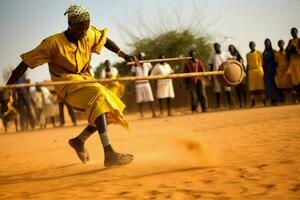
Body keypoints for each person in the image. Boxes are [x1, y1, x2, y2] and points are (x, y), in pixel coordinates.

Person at [3, 5, 135, 167]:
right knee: (100, 94)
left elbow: (104, 39)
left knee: (108, 108)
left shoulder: (88, 33)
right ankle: (109, 152)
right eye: (80, 29)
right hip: (66, 83)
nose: (84, 32)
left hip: (85, 79)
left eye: (86, 29)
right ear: (70, 26)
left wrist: (123, 54)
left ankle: (79, 141)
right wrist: (7, 88)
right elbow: (25, 64)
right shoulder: (52, 44)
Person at [131, 52, 157, 118]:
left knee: (150, 98)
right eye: (139, 57)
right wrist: (135, 65)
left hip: (146, 82)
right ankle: (141, 114)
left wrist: (150, 77)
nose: (141, 58)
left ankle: (153, 113)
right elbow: (133, 74)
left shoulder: (147, 63)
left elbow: (151, 71)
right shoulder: (134, 65)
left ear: (143, 57)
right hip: (138, 84)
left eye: (142, 57)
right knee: (140, 100)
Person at [208, 43, 233, 109]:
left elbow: (231, 60)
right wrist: (210, 75)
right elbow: (211, 66)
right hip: (216, 75)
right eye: (215, 47)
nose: (216, 48)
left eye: (217, 46)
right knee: (217, 90)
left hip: (225, 75)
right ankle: (218, 105)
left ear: (220, 46)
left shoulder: (225, 54)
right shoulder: (212, 55)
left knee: (227, 90)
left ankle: (230, 104)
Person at [262, 39, 283, 105]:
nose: (267, 44)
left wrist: (275, 69)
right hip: (267, 70)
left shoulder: (274, 51)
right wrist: (265, 74)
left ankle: (279, 99)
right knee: (270, 86)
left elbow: (277, 61)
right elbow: (264, 64)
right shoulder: (264, 53)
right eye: (266, 43)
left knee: (276, 84)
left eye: (268, 43)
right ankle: (273, 100)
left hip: (273, 69)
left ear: (270, 43)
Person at [246, 41, 266, 107]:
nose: (251, 46)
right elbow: (248, 64)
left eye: (252, 45)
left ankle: (264, 102)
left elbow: (263, 62)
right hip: (251, 72)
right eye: (250, 45)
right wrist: (246, 73)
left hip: (259, 71)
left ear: (255, 45)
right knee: (252, 88)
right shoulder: (247, 55)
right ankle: (253, 103)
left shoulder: (259, 53)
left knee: (261, 87)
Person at [286, 27, 300, 102]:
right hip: (293, 62)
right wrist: (291, 48)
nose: (293, 33)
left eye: (295, 31)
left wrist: (296, 51)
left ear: (297, 32)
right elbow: (287, 50)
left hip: (299, 61)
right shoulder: (290, 41)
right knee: (295, 81)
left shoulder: (299, 40)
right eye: (292, 32)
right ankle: (296, 98)